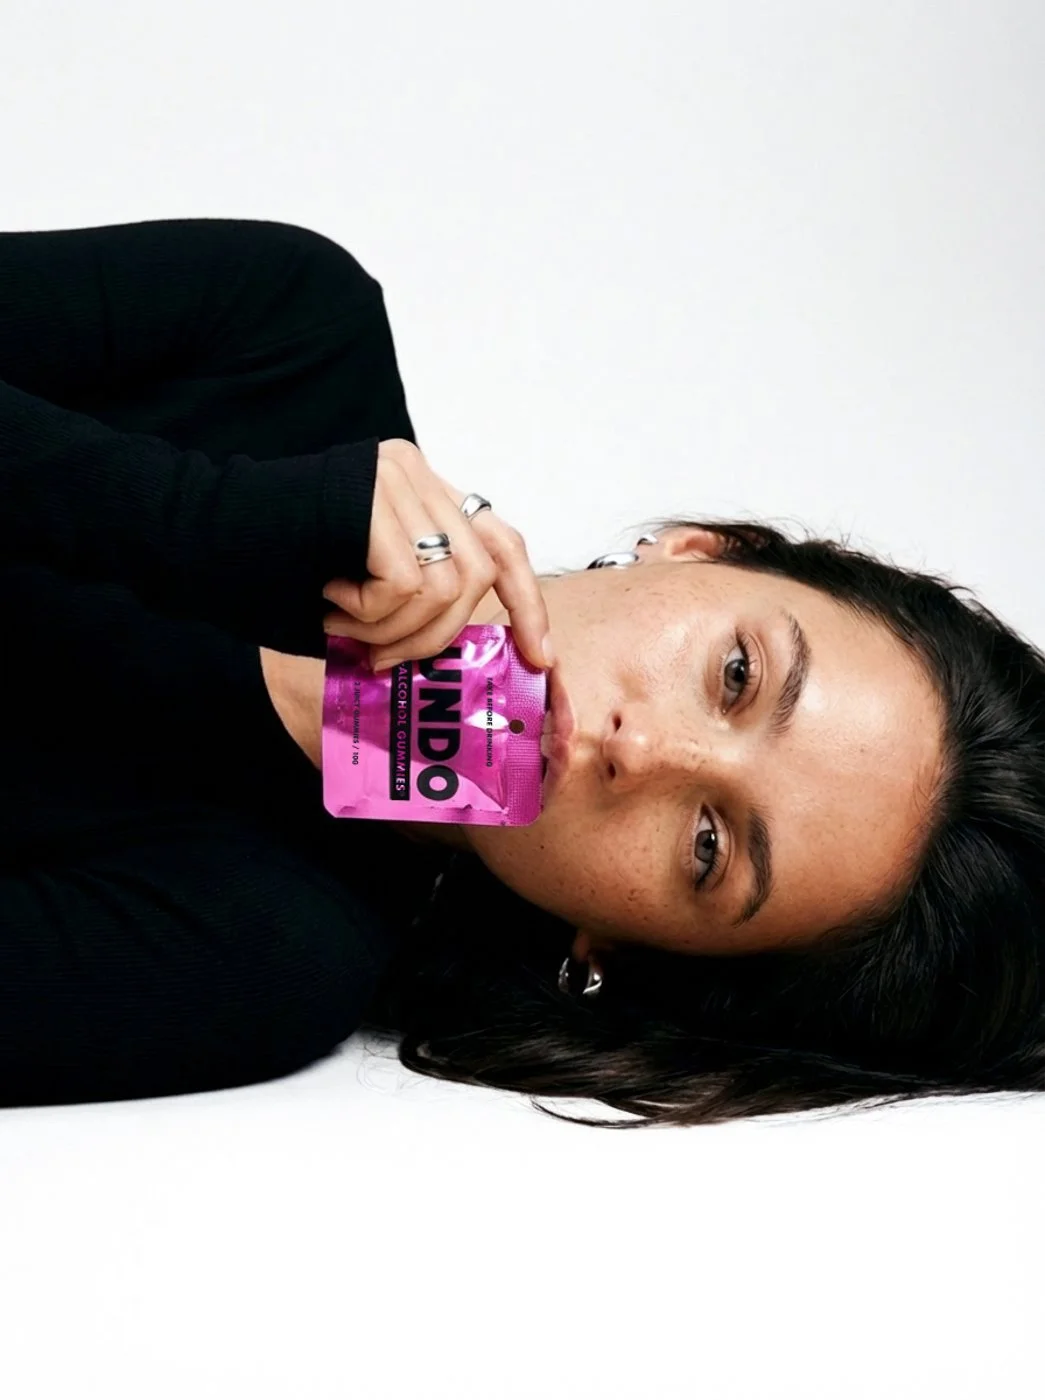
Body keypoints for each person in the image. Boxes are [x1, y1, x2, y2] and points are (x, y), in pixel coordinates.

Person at [2, 218, 1043, 1127]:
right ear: (697, 548)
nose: (644, 750)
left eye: (709, 843)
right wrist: (187, 515)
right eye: (734, 674)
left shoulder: (255, 954)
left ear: (621, 950)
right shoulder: (288, 336)